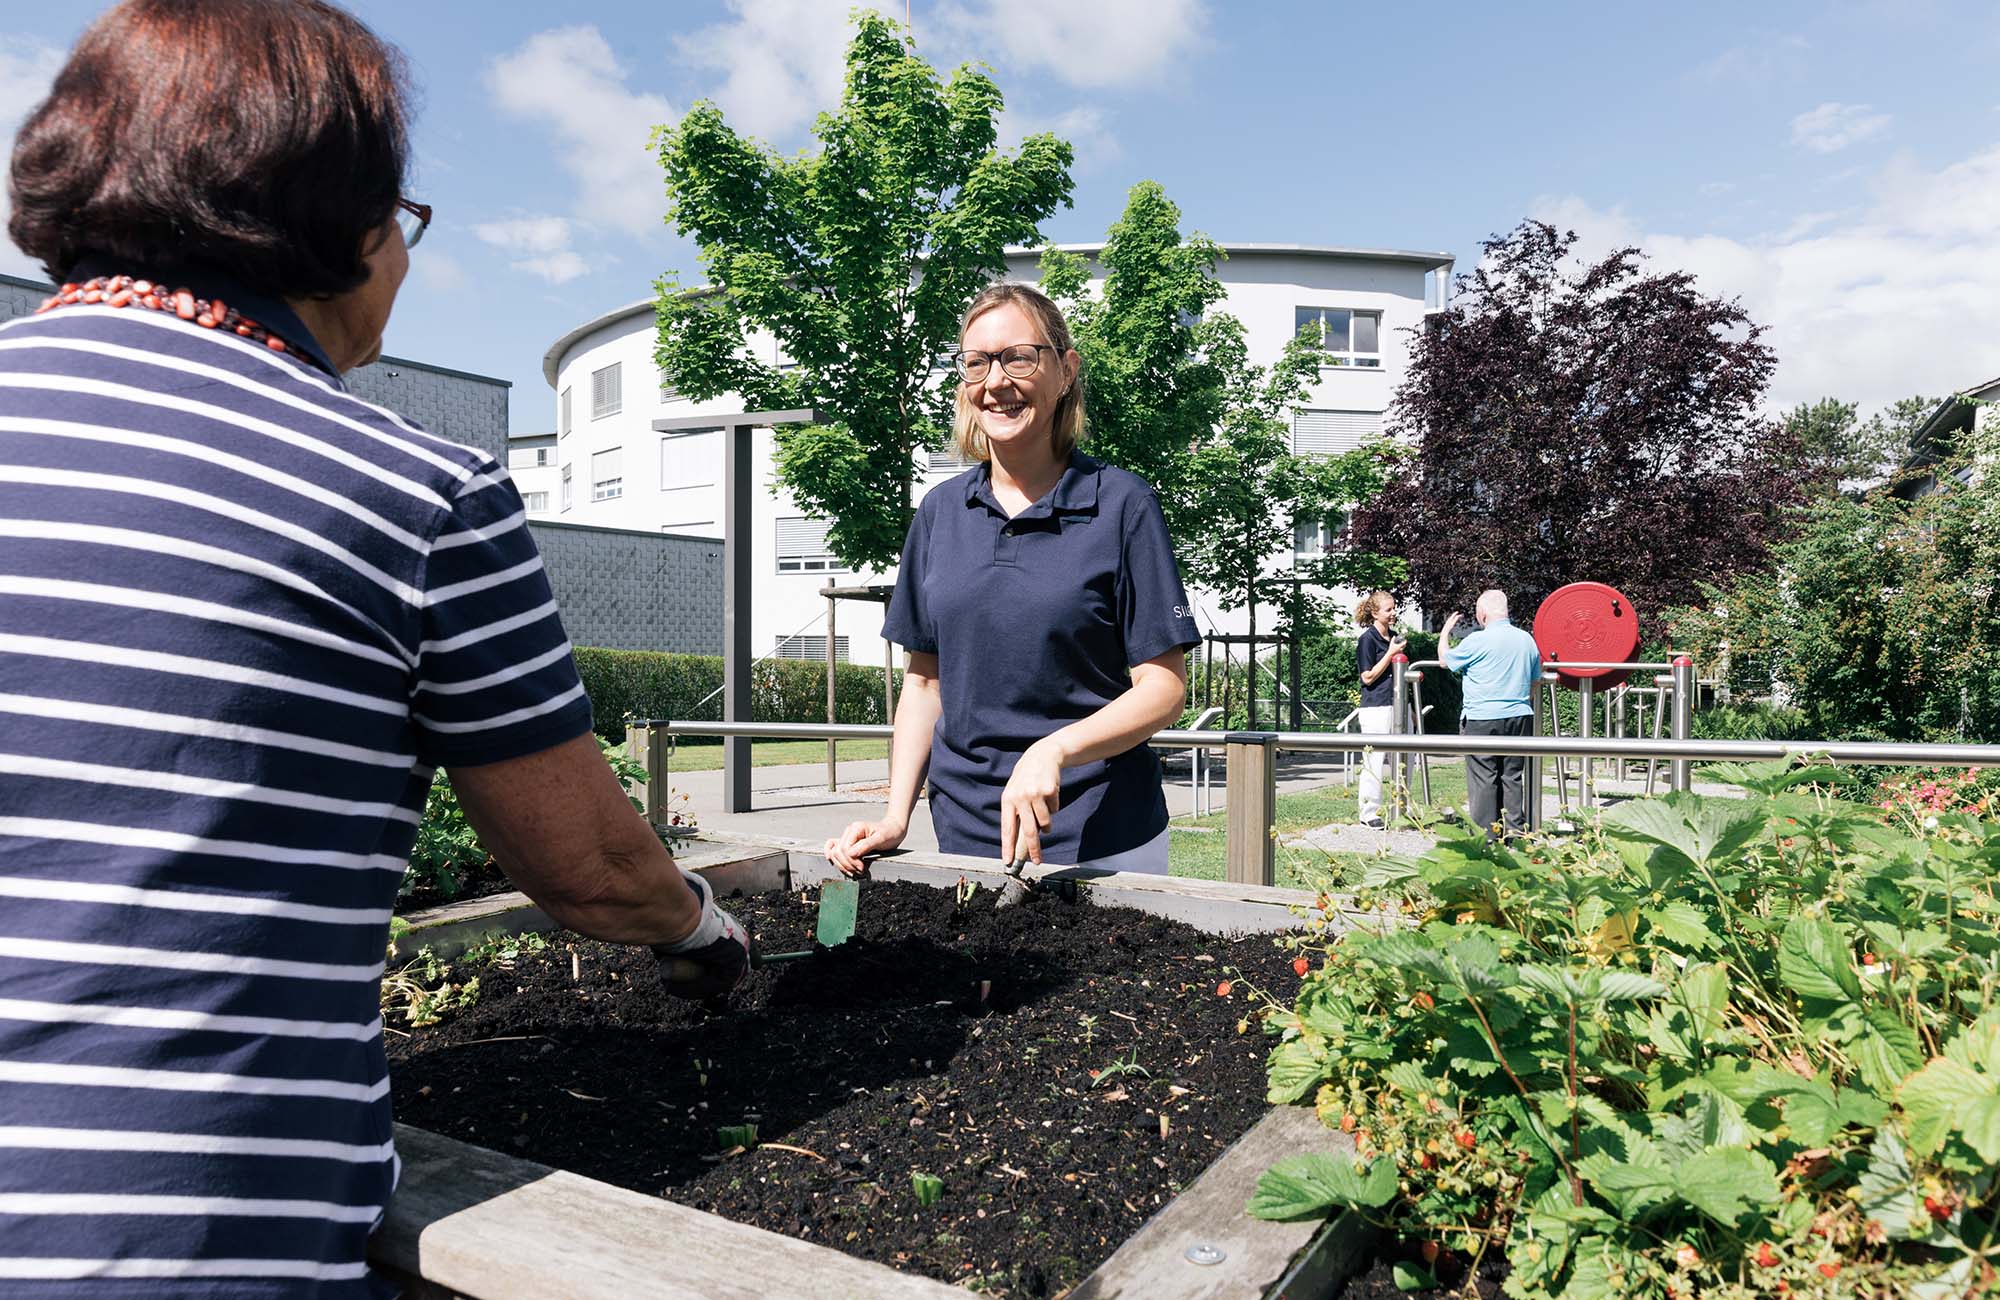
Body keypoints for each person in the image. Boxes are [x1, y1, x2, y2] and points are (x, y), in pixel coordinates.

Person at [0, 2, 747, 1292]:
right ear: (341, 224)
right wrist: (704, 932)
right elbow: (589, 871)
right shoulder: (408, 490)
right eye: (403, 223)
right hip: (164, 1235)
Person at [824, 282, 1199, 876]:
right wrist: (897, 815)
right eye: (976, 363)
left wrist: (1055, 749)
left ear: (1065, 370)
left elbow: (1163, 688)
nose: (996, 381)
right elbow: (924, 686)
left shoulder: (1123, 504)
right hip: (964, 834)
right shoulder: (939, 513)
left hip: (1102, 836)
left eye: (1018, 357)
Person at [1439, 589, 1543, 839]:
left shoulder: (1477, 640)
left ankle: (1487, 836)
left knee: (1483, 779)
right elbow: (1536, 680)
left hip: (1481, 717)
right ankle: (1516, 833)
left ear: (1482, 613)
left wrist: (1444, 632)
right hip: (1519, 715)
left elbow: (1444, 661)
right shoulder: (1527, 640)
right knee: (1512, 776)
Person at [1352, 591, 1407, 830]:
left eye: (1394, 608)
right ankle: (1368, 812)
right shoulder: (1368, 639)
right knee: (1374, 759)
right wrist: (1391, 654)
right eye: (1388, 609)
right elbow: (1368, 677)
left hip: (1398, 704)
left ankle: (1402, 807)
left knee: (1406, 759)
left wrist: (1410, 708)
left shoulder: (1395, 637)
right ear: (1375, 613)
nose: (1393, 612)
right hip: (1376, 707)